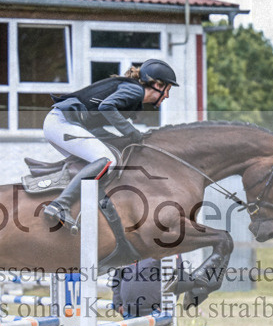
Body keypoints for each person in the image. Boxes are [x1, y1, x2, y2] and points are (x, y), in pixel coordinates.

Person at [41, 59, 178, 229]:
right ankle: (59, 205)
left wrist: (125, 138)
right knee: (107, 160)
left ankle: (88, 215)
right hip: (62, 123)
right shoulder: (135, 91)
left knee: (99, 166)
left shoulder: (132, 94)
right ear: (157, 84)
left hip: (63, 123)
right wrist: (132, 133)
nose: (167, 96)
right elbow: (106, 107)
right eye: (167, 90)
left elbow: (96, 126)